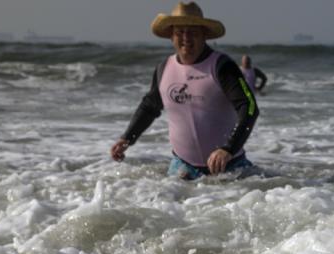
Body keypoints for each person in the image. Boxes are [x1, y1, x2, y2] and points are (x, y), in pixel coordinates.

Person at [110, 2, 259, 180]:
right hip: (182, 168)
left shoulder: (221, 66)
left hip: (229, 167)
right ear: (171, 36)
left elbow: (249, 106)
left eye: (193, 32)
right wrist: (127, 138)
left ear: (204, 35)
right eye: (180, 32)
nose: (186, 38)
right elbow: (150, 106)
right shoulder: (164, 68)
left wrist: (228, 148)